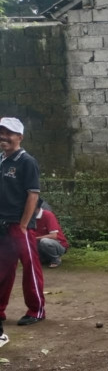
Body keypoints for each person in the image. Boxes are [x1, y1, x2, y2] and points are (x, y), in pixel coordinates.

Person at [0, 117, 46, 327]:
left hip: (20, 225)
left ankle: (36, 310)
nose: (4, 137)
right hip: (3, 224)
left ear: (20, 137)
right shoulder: (2, 160)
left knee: (30, 267)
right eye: (1, 133)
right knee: (3, 269)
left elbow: (33, 195)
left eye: (9, 133)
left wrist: (24, 225)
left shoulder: (27, 161)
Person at [34, 200, 69, 268]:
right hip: (39, 244)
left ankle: (55, 259)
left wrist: (34, 238)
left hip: (58, 244)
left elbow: (54, 236)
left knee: (45, 241)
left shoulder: (48, 215)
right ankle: (44, 258)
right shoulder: (30, 217)